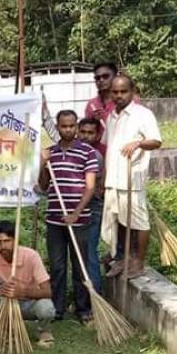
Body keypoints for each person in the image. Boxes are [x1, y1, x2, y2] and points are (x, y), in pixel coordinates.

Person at [38, 110, 98, 323]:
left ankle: (83, 309)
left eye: (72, 126)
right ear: (58, 126)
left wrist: (75, 213)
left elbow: (90, 188)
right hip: (54, 218)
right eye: (64, 126)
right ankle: (57, 308)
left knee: (80, 265)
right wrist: (42, 164)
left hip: (80, 219)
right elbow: (44, 185)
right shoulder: (50, 152)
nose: (68, 130)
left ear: (76, 126)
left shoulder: (87, 152)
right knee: (57, 266)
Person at [102, 75, 163, 279]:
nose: (119, 96)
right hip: (114, 179)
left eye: (123, 91)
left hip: (132, 179)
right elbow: (107, 147)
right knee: (119, 220)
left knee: (139, 222)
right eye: (115, 92)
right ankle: (124, 258)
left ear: (132, 91)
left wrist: (138, 143)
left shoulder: (142, 114)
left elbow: (156, 141)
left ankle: (139, 261)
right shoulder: (111, 116)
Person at [0, 221, 56, 347]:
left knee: (46, 308)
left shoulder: (31, 256)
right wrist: (0, 291)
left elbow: (47, 291)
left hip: (28, 304)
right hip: (5, 303)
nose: (2, 246)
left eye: (7, 241)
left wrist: (23, 291)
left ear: (15, 241)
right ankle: (4, 326)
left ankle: (43, 330)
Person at [78, 118, 105, 292]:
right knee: (79, 254)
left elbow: (89, 187)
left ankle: (94, 295)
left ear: (96, 135)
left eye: (91, 133)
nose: (86, 136)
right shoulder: (74, 152)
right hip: (77, 208)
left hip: (92, 209)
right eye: (83, 132)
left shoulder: (94, 156)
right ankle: (84, 294)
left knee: (89, 253)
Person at [84, 62, 118, 143]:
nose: (101, 80)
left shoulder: (128, 101)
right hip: (97, 153)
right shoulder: (91, 104)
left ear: (116, 77)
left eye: (105, 76)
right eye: (97, 78)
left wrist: (106, 118)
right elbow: (87, 134)